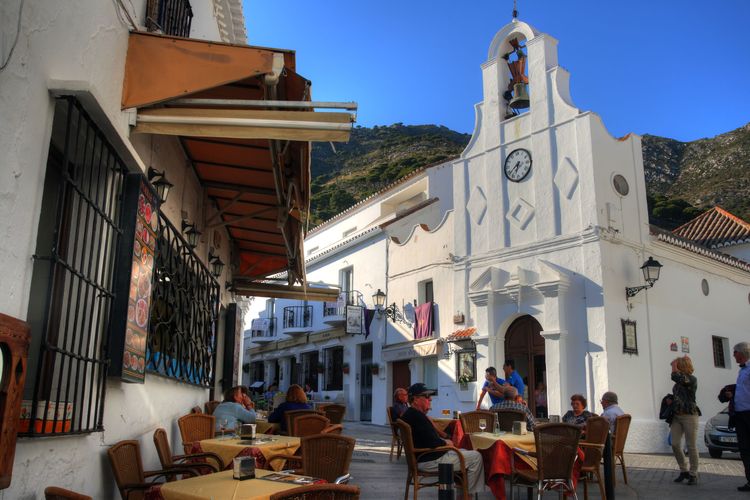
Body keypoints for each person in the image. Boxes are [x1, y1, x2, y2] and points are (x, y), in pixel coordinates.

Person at [398, 383, 485, 494]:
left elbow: (428, 438)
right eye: (426, 396)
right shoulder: (418, 417)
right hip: (429, 460)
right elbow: (433, 442)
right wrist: (446, 442)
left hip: (423, 457)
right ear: (415, 399)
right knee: (476, 457)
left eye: (430, 397)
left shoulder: (411, 414)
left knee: (465, 452)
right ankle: (468, 496)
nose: (430, 399)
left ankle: (462, 494)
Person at [669, 355, 700, 485]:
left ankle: (693, 473)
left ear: (683, 367)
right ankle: (684, 470)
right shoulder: (679, 383)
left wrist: (673, 366)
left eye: (678, 366)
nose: (676, 369)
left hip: (689, 416)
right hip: (677, 416)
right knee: (675, 444)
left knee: (691, 445)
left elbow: (676, 376)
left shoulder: (691, 379)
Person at [728, 342, 750, 491]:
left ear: (741, 353)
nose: (733, 355)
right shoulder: (741, 371)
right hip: (740, 414)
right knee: (744, 449)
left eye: (734, 352)